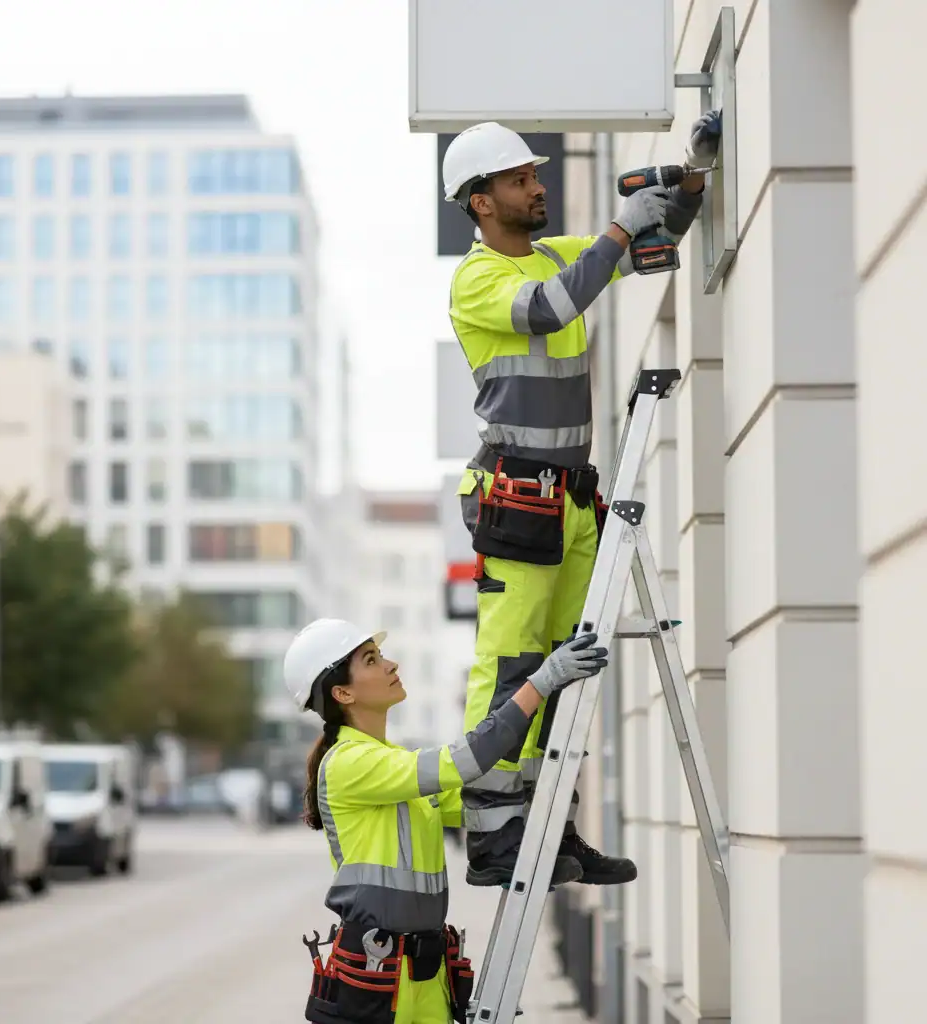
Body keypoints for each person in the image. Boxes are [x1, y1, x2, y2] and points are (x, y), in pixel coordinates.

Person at [442, 113, 721, 889]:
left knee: (568, 667)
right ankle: (495, 834)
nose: (538, 186)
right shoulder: (479, 279)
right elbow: (553, 307)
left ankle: (551, 830)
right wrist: (618, 227)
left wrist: (691, 174)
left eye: (535, 174)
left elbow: (660, 232)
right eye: (520, 179)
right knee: (512, 664)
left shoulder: (552, 255)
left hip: (568, 502)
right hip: (517, 496)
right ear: (480, 201)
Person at [285, 617, 608, 1024]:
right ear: (343, 692)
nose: (390, 665)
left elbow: (475, 800)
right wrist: (539, 684)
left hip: (425, 970)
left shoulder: (392, 765)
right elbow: (463, 761)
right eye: (371, 660)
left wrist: (548, 766)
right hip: (378, 976)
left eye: (381, 655)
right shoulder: (349, 762)